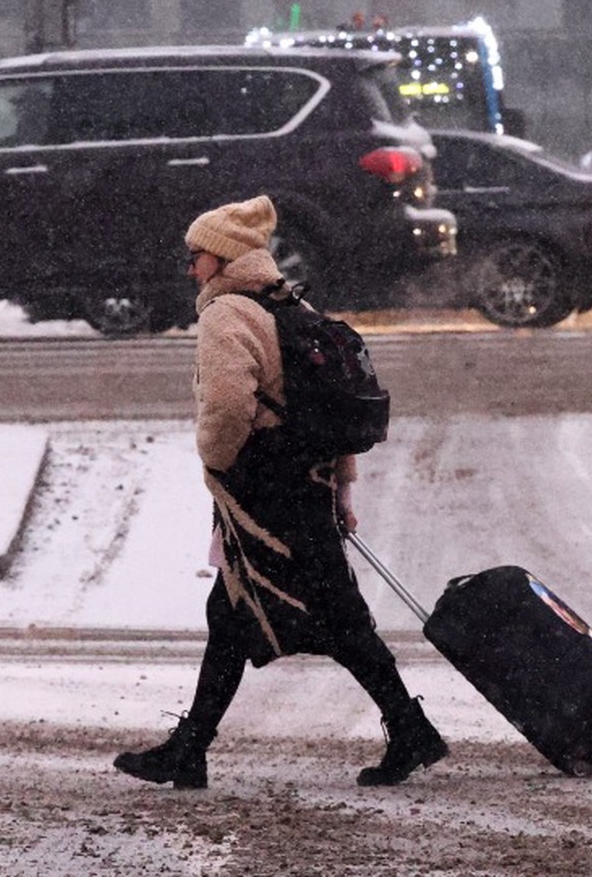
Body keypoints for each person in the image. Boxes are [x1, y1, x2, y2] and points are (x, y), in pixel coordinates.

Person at [113, 195, 447, 790]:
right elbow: (330, 409)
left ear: (222, 259)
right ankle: (190, 748)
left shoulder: (227, 315)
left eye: (197, 256)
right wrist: (341, 486)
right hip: (306, 485)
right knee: (237, 612)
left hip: (265, 492)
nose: (190, 268)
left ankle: (409, 726)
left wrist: (215, 464)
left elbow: (226, 407)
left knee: (332, 620)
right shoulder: (294, 307)